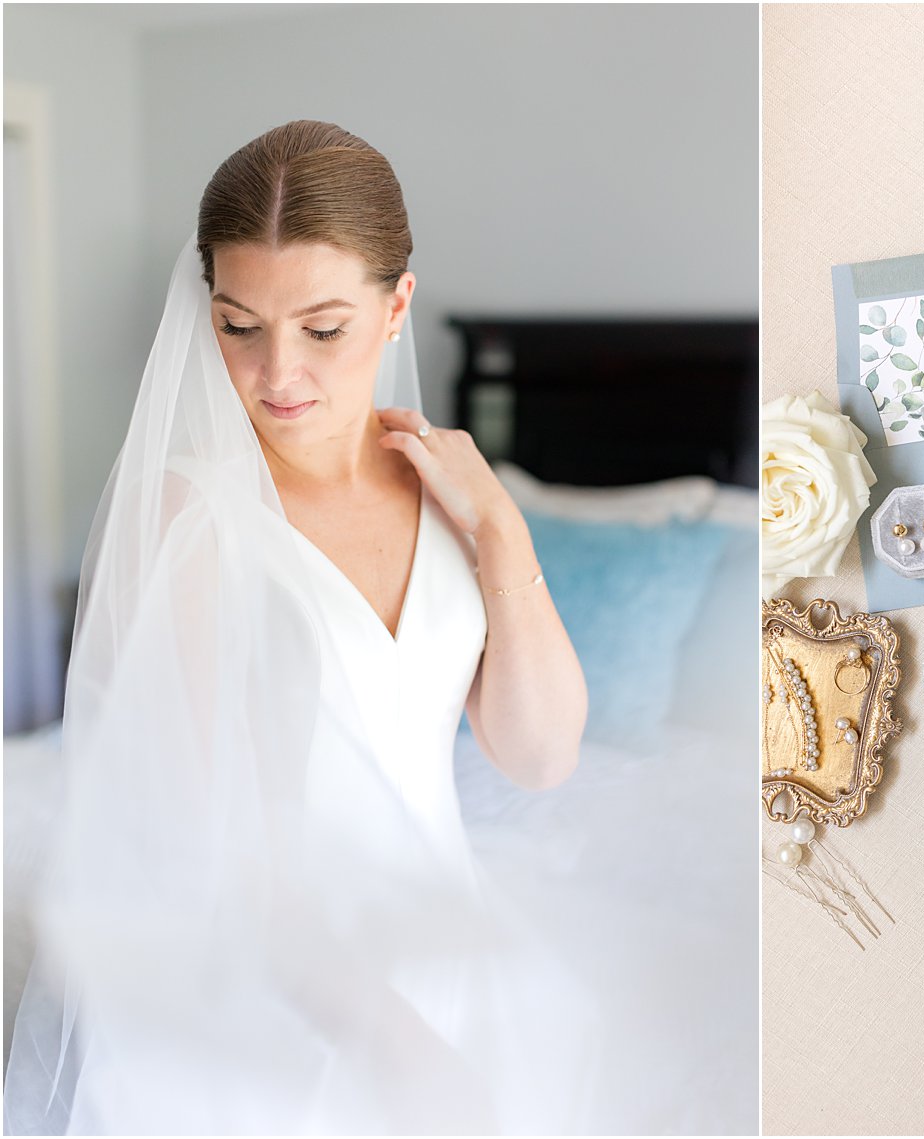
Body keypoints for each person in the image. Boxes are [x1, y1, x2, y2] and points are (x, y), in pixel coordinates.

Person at [4, 121, 596, 1134]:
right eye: (240, 325)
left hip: (439, 943)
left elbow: (538, 756)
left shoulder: (450, 498)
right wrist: (391, 1039)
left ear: (397, 303)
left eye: (322, 328)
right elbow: (210, 847)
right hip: (274, 980)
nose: (278, 374)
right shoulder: (188, 516)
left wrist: (496, 525)